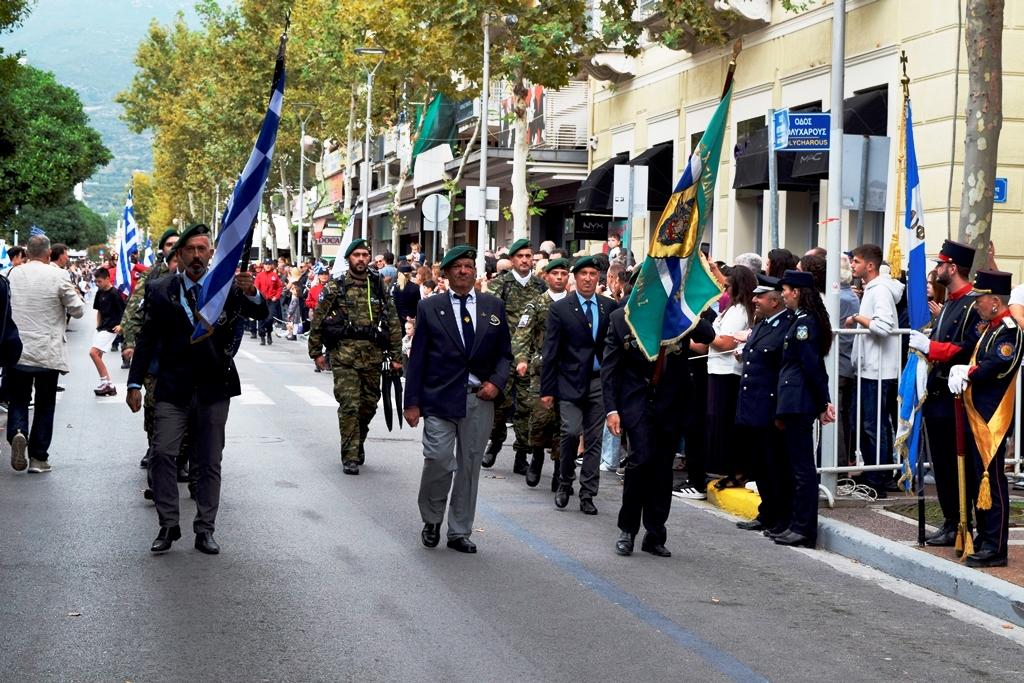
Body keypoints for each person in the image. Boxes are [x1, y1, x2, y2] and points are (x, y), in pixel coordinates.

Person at [126, 223, 267, 555]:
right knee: (162, 454)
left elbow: (260, 312)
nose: (196, 255)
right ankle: (168, 524)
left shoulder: (227, 288)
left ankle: (205, 528)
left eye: (202, 249)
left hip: (213, 387)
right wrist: (134, 382)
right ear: (179, 255)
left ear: (211, 253)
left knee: (208, 462)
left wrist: (251, 292)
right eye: (189, 249)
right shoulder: (160, 289)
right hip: (172, 387)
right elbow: (147, 338)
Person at [404, 245, 512, 553]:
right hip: (439, 397)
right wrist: (412, 401)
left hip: (479, 398)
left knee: (469, 466)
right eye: (457, 267)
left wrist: (497, 382)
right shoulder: (430, 307)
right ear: (446, 274)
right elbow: (419, 356)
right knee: (438, 459)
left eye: (468, 266)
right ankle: (432, 518)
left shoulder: (493, 305)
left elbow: (504, 353)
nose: (463, 271)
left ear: (476, 272)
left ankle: (460, 531)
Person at [603, 294, 715, 557]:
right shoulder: (622, 318)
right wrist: (611, 409)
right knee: (640, 460)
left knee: (662, 470)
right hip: (637, 399)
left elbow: (707, 336)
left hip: (672, 400)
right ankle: (627, 530)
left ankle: (655, 534)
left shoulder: (680, 315)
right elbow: (610, 368)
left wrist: (682, 307)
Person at [907, 240, 983, 546]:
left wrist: (932, 348)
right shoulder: (950, 301)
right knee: (941, 466)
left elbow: (970, 349)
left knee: (957, 466)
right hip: (937, 397)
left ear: (952, 268)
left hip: (958, 399)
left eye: (940, 265)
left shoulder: (974, 304)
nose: (936, 270)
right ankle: (951, 520)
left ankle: (963, 523)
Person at [308, 239, 402, 475]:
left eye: (365, 254)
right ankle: (349, 455)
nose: (361, 259)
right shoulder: (335, 286)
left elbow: (392, 320)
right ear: (349, 258)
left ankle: (357, 441)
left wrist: (396, 354)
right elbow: (318, 320)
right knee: (350, 406)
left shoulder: (378, 285)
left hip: (372, 357)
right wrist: (316, 352)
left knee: (368, 406)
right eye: (356, 255)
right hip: (344, 357)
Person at [947, 270, 1021, 568]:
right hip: (977, 413)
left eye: (981, 299)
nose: (976, 304)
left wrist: (968, 372)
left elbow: (998, 364)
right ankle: (983, 536)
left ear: (995, 301)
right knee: (979, 479)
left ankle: (996, 546)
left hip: (993, 416)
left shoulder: (1009, 330)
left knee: (992, 482)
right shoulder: (990, 328)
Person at [541, 256, 613, 515]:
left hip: (598, 382)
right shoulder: (561, 308)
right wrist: (547, 389)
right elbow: (551, 351)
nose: (587, 278)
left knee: (594, 440)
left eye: (593, 273)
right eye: (583, 273)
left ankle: (587, 493)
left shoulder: (609, 306)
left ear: (598, 278)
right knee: (570, 433)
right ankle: (565, 480)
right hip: (569, 381)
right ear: (575, 277)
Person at [7, 235, 84, 473]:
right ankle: (38, 459)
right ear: (49, 253)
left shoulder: (12, 275)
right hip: (47, 353)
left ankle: (18, 432)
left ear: (27, 253)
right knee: (44, 404)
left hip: (16, 350)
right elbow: (78, 311)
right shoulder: (58, 275)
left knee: (18, 399)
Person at [775, 270, 835, 547]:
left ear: (797, 292)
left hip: (800, 401)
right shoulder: (799, 320)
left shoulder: (805, 323)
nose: (783, 294)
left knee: (803, 469)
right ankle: (796, 524)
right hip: (794, 401)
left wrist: (823, 402)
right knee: (797, 466)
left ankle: (804, 528)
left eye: (785, 290)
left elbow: (811, 366)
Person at [732, 275, 794, 535]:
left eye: (760, 296)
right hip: (752, 406)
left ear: (775, 300)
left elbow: (784, 371)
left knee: (776, 465)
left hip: (769, 407)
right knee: (760, 464)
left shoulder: (787, 326)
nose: (754, 300)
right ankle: (767, 513)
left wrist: (779, 408)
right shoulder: (763, 324)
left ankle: (782, 517)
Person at [484, 239, 548, 475]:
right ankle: (496, 441)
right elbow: (487, 321)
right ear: (512, 260)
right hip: (503, 357)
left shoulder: (541, 287)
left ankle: (522, 454)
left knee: (526, 409)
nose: (524, 260)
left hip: (532, 359)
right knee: (499, 404)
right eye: (520, 256)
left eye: (528, 256)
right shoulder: (500, 285)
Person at [846, 244, 903, 497]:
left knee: (874, 424)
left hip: (878, 370)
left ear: (870, 265)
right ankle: (874, 471)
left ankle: (878, 475)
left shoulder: (880, 290)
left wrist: (858, 317)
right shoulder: (874, 289)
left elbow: (884, 326)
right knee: (865, 422)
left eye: (856, 261)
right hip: (871, 368)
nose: (852, 265)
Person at [120, 228, 179, 469]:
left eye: (178, 244)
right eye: (169, 245)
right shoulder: (152, 278)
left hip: (184, 359)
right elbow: (133, 312)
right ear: (162, 249)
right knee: (154, 406)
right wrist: (130, 344)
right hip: (155, 356)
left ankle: (181, 457)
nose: (174, 249)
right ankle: (154, 448)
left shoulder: (198, 277)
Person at [511, 258, 570, 489]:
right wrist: (522, 359)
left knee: (562, 423)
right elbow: (521, 335)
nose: (559, 277)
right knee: (539, 419)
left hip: (568, 371)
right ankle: (536, 456)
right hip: (541, 370)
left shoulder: (575, 304)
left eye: (563, 273)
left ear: (568, 277)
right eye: (554, 273)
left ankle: (558, 470)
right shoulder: (535, 305)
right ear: (546, 276)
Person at [708, 265, 755, 488]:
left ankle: (736, 471)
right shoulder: (732, 308)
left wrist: (703, 332)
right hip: (717, 370)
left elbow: (725, 343)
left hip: (728, 372)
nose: (725, 289)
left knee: (727, 424)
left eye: (728, 285)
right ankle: (728, 469)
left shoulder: (740, 311)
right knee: (719, 422)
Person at [88, 267, 125, 397]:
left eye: (99, 281)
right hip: (102, 327)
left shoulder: (115, 293)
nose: (97, 284)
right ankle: (108, 383)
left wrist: (121, 325)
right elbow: (99, 310)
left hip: (111, 328)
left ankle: (106, 382)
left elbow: (123, 310)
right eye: (96, 281)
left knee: (93, 353)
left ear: (107, 279)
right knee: (98, 355)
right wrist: (97, 327)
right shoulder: (99, 293)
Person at [254, 258, 283, 345]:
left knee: (269, 318)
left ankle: (269, 333)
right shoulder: (259, 276)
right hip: (262, 300)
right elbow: (256, 288)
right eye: (266, 264)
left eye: (269, 264)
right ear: (264, 265)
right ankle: (262, 336)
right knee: (262, 319)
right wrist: (257, 298)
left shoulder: (274, 275)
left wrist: (276, 296)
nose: (268, 266)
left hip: (271, 300)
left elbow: (279, 287)